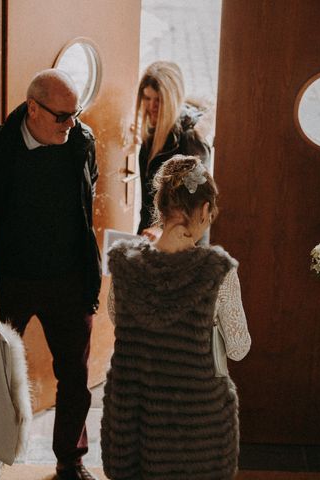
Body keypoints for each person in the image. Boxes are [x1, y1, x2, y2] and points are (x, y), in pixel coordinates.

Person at [0, 69, 101, 480]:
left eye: (75, 114)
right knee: (0, 372)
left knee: (75, 377)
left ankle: (71, 459)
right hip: (12, 279)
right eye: (61, 115)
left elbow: (87, 196)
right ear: (32, 108)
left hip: (68, 279)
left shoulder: (81, 142)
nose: (71, 124)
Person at [101, 155, 251, 479]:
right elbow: (238, 348)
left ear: (161, 206)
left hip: (134, 418)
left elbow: (118, 319)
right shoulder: (218, 273)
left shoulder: (125, 266)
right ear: (204, 210)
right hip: (195, 425)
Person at [134, 61, 211, 238]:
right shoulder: (152, 134)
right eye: (147, 98)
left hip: (182, 243)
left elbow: (197, 205)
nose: (151, 106)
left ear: (172, 99)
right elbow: (149, 202)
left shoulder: (189, 139)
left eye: (158, 100)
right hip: (152, 236)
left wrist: (164, 230)